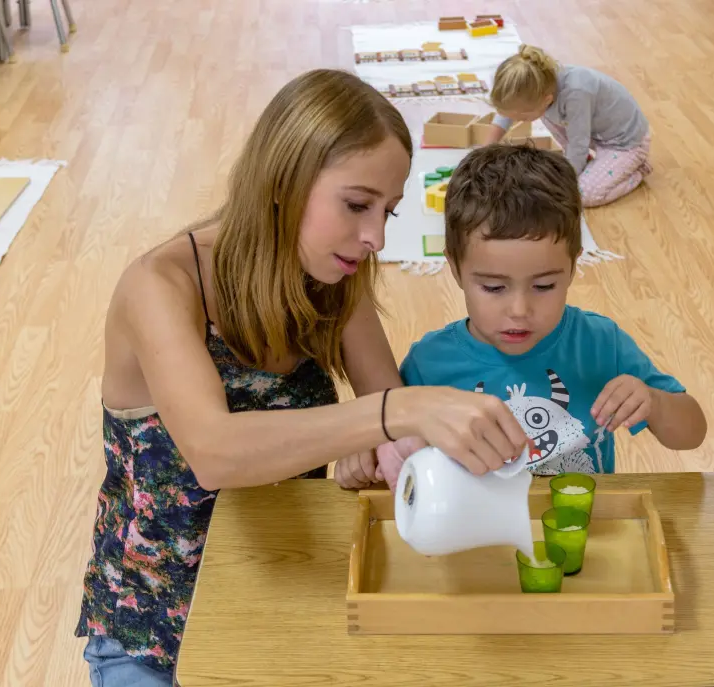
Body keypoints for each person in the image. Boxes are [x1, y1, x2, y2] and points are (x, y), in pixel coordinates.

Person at [74, 69, 528, 687]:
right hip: (154, 632)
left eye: (388, 211)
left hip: (280, 591)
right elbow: (214, 453)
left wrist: (413, 458)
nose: (375, 236)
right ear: (285, 179)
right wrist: (395, 415)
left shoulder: (333, 281)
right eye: (357, 204)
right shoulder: (161, 286)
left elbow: (392, 422)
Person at [377, 144, 706, 490]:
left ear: (574, 266)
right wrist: (364, 460)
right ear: (455, 270)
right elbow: (393, 454)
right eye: (493, 288)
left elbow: (690, 434)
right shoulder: (429, 364)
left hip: (575, 529)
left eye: (544, 285)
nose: (519, 310)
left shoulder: (600, 343)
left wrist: (654, 403)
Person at [484, 45, 652, 208]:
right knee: (545, 117)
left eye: (523, 117)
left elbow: (579, 143)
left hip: (626, 143)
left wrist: (563, 183)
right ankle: (584, 164)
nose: (518, 119)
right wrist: (486, 149)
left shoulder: (576, 95)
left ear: (548, 100)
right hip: (595, 134)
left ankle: (636, 171)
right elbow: (507, 110)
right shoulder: (539, 84)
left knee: (583, 195)